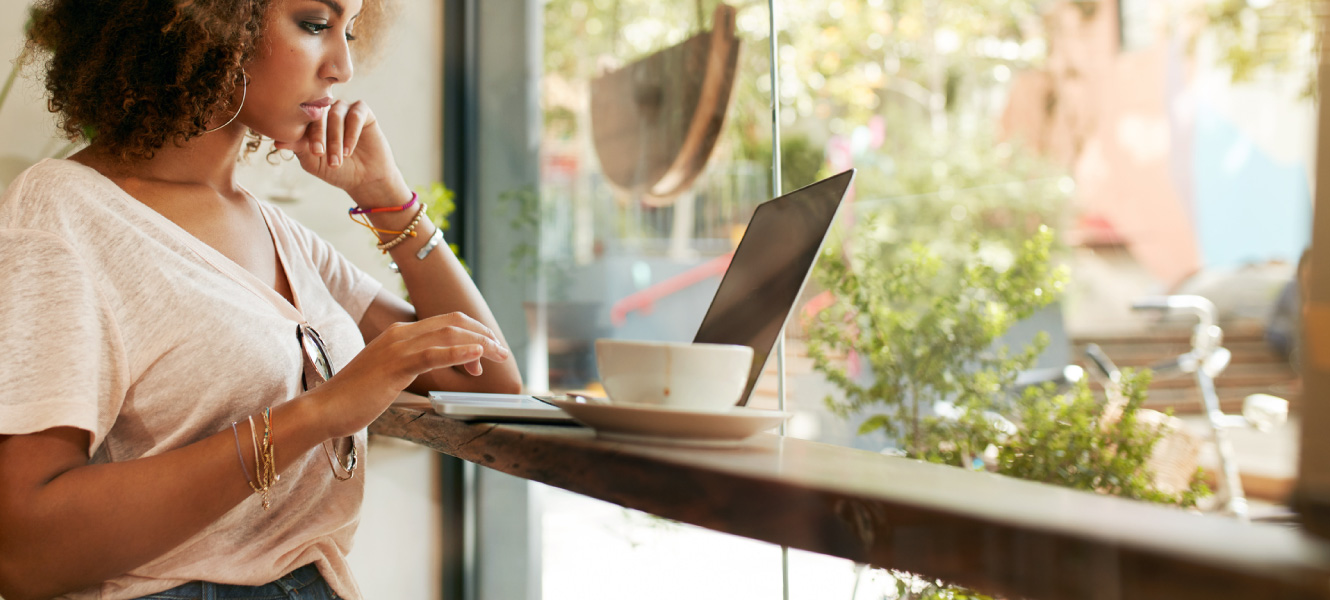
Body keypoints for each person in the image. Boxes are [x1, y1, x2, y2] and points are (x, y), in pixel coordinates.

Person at [0, 0, 522, 598]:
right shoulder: (62, 211)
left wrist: (388, 199)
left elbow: (489, 385)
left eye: (350, 31)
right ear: (212, 22)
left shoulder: (280, 235)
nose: (343, 67)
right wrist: (322, 412)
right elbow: (22, 551)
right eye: (315, 24)